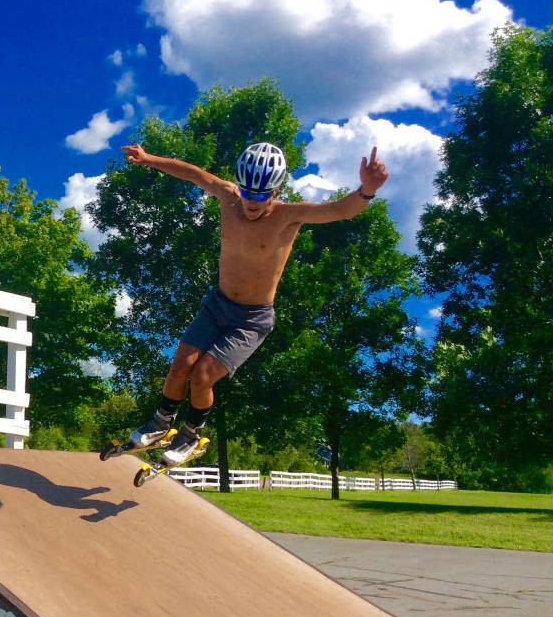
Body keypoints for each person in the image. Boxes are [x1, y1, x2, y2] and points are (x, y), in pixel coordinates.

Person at [121, 141, 390, 464]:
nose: (251, 202)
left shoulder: (289, 216)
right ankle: (160, 424)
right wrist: (148, 158)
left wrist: (367, 190)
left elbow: (340, 211)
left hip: (251, 320)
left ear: (276, 191)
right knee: (180, 366)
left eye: (261, 196)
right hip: (216, 305)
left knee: (203, 375)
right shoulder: (228, 196)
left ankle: (191, 435)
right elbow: (192, 173)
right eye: (248, 193)